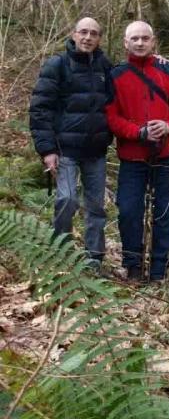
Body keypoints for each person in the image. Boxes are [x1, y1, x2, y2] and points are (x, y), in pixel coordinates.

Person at [106, 21, 169, 281]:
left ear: (153, 41)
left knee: (166, 212)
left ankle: (159, 272)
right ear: (125, 42)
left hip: (168, 153)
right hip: (132, 156)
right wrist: (138, 132)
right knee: (128, 211)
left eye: (144, 38)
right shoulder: (115, 75)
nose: (139, 43)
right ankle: (134, 268)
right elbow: (110, 116)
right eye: (134, 38)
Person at [29, 17, 113, 272]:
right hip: (64, 149)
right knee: (66, 200)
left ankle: (94, 260)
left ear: (100, 38)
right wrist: (47, 150)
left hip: (96, 151)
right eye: (84, 32)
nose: (88, 37)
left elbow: (129, 85)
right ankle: (61, 255)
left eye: (94, 33)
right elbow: (40, 109)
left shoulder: (105, 67)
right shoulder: (57, 65)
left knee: (96, 207)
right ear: (73, 34)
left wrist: (161, 62)